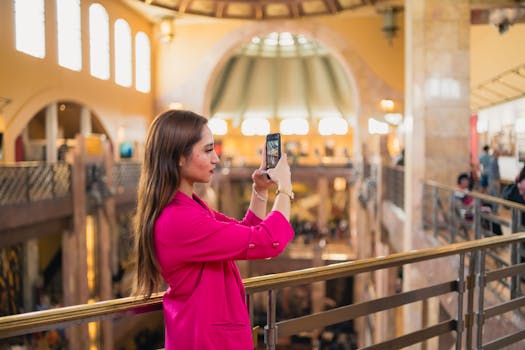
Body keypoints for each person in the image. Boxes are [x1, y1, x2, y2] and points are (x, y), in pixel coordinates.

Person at [133, 110, 295, 350]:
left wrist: (260, 191)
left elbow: (244, 233)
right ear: (179, 157)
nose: (216, 159)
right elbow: (269, 242)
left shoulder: (188, 206)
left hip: (205, 334)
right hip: (206, 340)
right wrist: (285, 188)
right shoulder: (179, 219)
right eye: (208, 150)